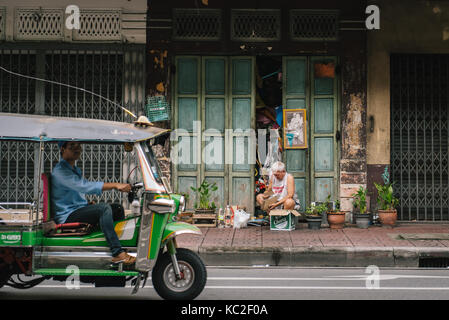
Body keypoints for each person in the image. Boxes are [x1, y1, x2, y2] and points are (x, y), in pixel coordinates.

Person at [51, 140, 135, 265]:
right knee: (103, 208)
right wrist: (115, 185)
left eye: (78, 145)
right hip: (67, 216)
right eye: (72, 146)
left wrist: (87, 204)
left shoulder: (73, 169)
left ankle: (118, 244)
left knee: (116, 208)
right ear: (62, 149)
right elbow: (84, 186)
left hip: (75, 210)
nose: (77, 148)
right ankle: (117, 252)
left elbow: (75, 194)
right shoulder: (61, 171)